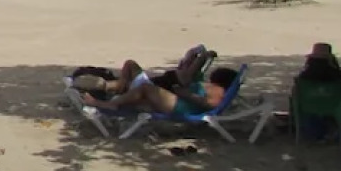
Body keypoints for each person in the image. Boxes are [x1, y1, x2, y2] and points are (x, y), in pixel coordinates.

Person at [83, 65, 239, 116]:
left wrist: (186, 94)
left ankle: (111, 104)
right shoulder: (214, 87)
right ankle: (116, 93)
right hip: (180, 100)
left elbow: (210, 105)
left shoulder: (219, 91)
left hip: (183, 106)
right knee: (133, 70)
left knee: (145, 88)